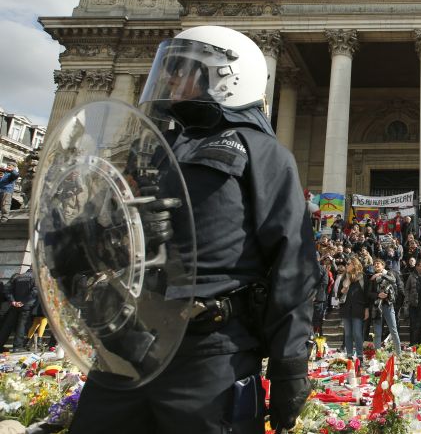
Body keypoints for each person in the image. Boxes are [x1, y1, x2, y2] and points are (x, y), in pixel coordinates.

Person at [67, 26, 319, 434]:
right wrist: (106, 236)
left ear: (224, 77)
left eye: (181, 69)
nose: (168, 78)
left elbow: (293, 264)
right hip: (126, 346)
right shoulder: (149, 150)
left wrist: (291, 363)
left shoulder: (265, 153)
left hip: (211, 351)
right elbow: (102, 232)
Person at [366, 259, 402, 354]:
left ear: (383, 265)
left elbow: (393, 280)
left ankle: (399, 354)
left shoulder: (389, 273)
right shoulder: (372, 278)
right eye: (374, 264)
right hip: (377, 307)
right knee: (377, 333)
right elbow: (369, 293)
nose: (376, 265)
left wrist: (381, 275)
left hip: (388, 306)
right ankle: (378, 355)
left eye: (378, 263)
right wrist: (378, 295)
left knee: (393, 330)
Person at [337, 257, 368, 359]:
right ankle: (349, 355)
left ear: (355, 264)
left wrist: (367, 309)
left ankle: (360, 356)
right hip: (346, 309)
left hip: (358, 309)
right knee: (348, 334)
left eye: (349, 264)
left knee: (357, 333)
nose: (346, 265)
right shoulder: (344, 277)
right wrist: (345, 287)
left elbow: (366, 294)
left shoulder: (362, 277)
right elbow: (338, 294)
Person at [0, 267, 37, 351]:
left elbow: (7, 289)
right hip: (26, 306)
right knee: (22, 326)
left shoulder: (17, 276)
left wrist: (13, 301)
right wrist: (23, 302)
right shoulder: (36, 278)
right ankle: (17, 347)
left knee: (7, 326)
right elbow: (34, 292)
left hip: (14, 305)